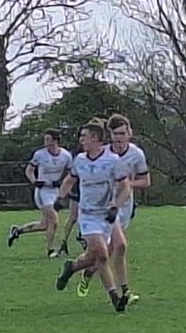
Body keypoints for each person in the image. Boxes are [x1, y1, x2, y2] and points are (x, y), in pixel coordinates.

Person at [53, 118, 132, 312]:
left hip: (107, 215)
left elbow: (125, 188)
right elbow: (69, 180)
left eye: (84, 136)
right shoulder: (79, 160)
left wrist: (116, 206)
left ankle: (71, 268)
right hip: (88, 215)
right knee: (102, 254)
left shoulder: (113, 161)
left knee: (93, 257)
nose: (81, 140)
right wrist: (60, 198)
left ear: (95, 138)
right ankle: (115, 297)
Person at [107, 114, 151, 304]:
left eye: (122, 133)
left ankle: (123, 290)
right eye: (115, 134)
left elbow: (146, 181)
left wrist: (127, 185)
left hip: (124, 205)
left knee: (115, 247)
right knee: (114, 247)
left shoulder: (136, 154)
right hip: (104, 205)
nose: (119, 138)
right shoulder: (103, 154)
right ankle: (81, 267)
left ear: (129, 133)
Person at [7, 129, 73, 258]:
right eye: (45, 139)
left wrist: (61, 182)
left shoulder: (66, 156)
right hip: (43, 192)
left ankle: (18, 231)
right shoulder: (40, 155)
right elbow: (29, 170)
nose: (45, 142)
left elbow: (71, 173)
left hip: (55, 191)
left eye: (48, 139)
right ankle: (50, 250)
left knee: (44, 225)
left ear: (55, 141)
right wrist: (35, 182)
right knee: (53, 221)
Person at [53, 127, 87, 257]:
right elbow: (70, 174)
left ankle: (83, 237)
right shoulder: (76, 155)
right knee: (73, 217)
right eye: (81, 138)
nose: (83, 140)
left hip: (90, 190)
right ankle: (63, 243)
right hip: (77, 189)